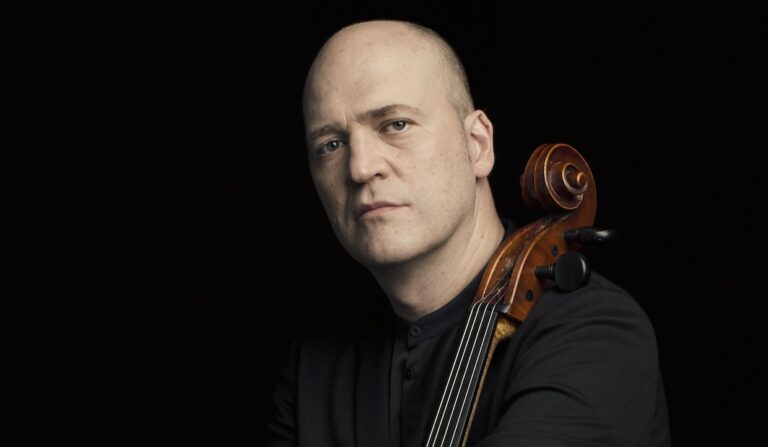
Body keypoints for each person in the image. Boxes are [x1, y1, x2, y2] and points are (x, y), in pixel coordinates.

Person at [267, 19, 670, 447]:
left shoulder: (597, 336)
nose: (361, 167)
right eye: (330, 144)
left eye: (395, 124)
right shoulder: (315, 366)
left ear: (477, 144)